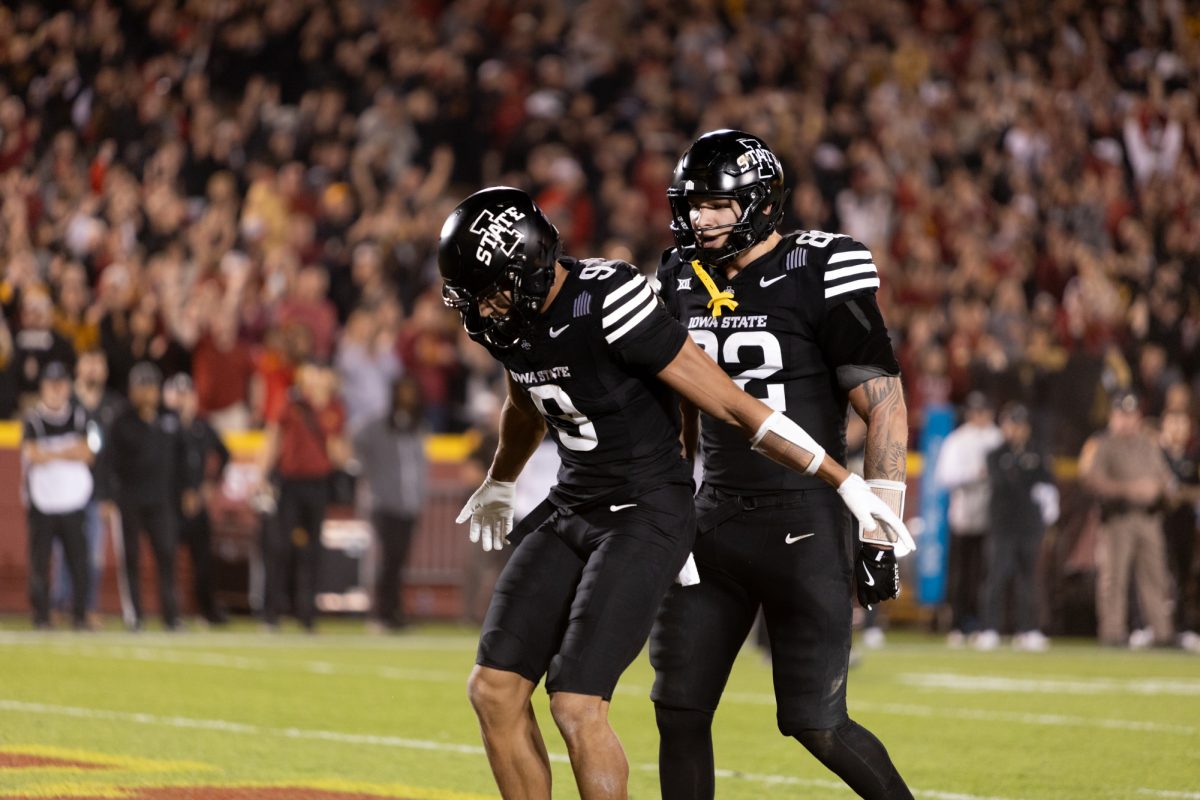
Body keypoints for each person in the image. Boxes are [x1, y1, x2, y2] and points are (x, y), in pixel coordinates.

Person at [439, 186, 910, 800]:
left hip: (643, 510)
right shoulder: (508, 321)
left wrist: (843, 480)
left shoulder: (609, 297)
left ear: (528, 266)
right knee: (493, 690)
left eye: (493, 289)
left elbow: (733, 405)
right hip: (573, 500)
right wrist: (500, 479)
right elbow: (525, 398)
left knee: (577, 703)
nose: (486, 307)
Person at [652, 130, 913, 800]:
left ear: (761, 203)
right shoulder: (679, 275)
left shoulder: (819, 267)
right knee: (678, 706)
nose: (700, 219)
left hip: (804, 520)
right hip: (714, 520)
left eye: (717, 205)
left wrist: (882, 531)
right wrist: (672, 497)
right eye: (693, 205)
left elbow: (883, 402)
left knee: (815, 722)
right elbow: (680, 401)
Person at [1080, 391, 1176, 648]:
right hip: (1118, 519)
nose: (1127, 420)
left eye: (1131, 415)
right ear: (1113, 416)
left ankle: (1162, 633)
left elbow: (1166, 479)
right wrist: (1130, 489)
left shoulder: (1148, 444)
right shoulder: (1103, 444)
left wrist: (1160, 488)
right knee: (1114, 578)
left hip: (1149, 519)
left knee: (1156, 578)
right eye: (1122, 414)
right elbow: (1092, 481)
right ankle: (1113, 632)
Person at [260, 362, 348, 632]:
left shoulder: (333, 409)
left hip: (317, 484)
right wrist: (261, 476)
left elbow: (340, 455)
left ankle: (306, 614)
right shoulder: (291, 403)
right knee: (281, 547)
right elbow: (273, 437)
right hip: (290, 483)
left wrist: (326, 424)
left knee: (312, 552)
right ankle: (272, 612)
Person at [108, 361, 186, 631]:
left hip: (161, 500)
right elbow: (109, 461)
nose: (146, 393)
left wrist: (187, 489)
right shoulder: (120, 420)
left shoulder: (169, 420)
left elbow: (182, 459)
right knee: (130, 558)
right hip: (129, 500)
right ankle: (135, 616)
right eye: (141, 387)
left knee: (167, 556)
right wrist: (108, 496)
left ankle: (171, 616)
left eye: (150, 387)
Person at [974, 403, 1057, 652]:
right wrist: (1026, 480)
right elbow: (1004, 483)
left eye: (1020, 424)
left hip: (1029, 526)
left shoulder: (1038, 453)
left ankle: (1029, 629)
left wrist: (1023, 477)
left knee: (1029, 580)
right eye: (1011, 424)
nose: (1015, 430)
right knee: (996, 577)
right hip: (1002, 526)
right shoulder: (995, 454)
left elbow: (1046, 481)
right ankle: (989, 628)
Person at [22, 362, 96, 629]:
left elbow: (88, 452)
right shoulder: (33, 419)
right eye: (51, 384)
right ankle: (42, 615)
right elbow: (33, 454)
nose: (56, 390)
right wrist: (68, 451)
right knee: (40, 561)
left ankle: (79, 614)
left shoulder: (80, 415)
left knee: (79, 561)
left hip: (73, 500)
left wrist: (52, 453)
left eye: (61, 383)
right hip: (43, 501)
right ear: (42, 387)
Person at [353, 376, 427, 631]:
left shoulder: (415, 427)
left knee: (399, 560)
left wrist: (418, 496)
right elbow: (357, 443)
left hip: (409, 503)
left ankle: (393, 611)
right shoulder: (378, 427)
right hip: (386, 503)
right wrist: (372, 477)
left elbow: (416, 467)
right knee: (387, 560)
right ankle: (381, 613)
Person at [933, 390, 1002, 645]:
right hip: (963, 515)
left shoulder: (998, 437)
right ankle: (959, 624)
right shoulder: (957, 439)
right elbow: (945, 476)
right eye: (976, 410)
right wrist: (976, 473)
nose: (980, 415)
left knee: (985, 574)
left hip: (991, 515)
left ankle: (984, 623)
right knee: (961, 574)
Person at [164, 373, 231, 626]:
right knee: (168, 560)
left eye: (186, 394)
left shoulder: (202, 427)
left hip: (197, 505)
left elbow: (225, 454)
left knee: (203, 560)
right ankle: (171, 611)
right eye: (177, 394)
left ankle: (207, 609)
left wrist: (210, 484)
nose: (182, 400)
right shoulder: (163, 425)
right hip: (171, 503)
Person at [1159, 409, 1200, 651]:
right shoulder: (1157, 454)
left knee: (1185, 578)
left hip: (1184, 527)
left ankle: (1183, 627)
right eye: (1173, 423)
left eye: (1183, 423)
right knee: (1158, 578)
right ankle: (1153, 627)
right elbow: (1165, 495)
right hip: (1159, 525)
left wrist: (1181, 493)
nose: (1178, 429)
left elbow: (1191, 493)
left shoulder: (1192, 458)